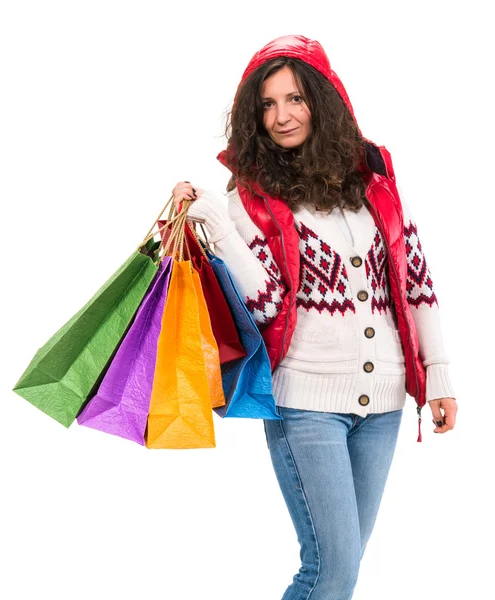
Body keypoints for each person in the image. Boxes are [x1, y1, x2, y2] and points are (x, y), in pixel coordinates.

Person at [171, 34, 458, 600]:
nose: (282, 116)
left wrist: (439, 374)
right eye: (268, 104)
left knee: (340, 569)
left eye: (295, 99)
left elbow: (417, 284)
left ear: (322, 102)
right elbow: (268, 304)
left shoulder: (376, 188)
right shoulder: (248, 200)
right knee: (330, 572)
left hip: (384, 405)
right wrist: (219, 227)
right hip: (304, 404)